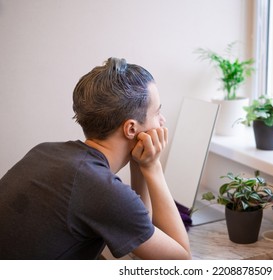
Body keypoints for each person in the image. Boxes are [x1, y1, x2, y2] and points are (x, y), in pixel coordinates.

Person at [0, 57, 191, 260]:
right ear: (131, 128)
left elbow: (138, 232)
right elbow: (180, 262)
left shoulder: (44, 151)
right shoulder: (99, 188)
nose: (162, 120)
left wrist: (140, 166)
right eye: (157, 111)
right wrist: (153, 167)